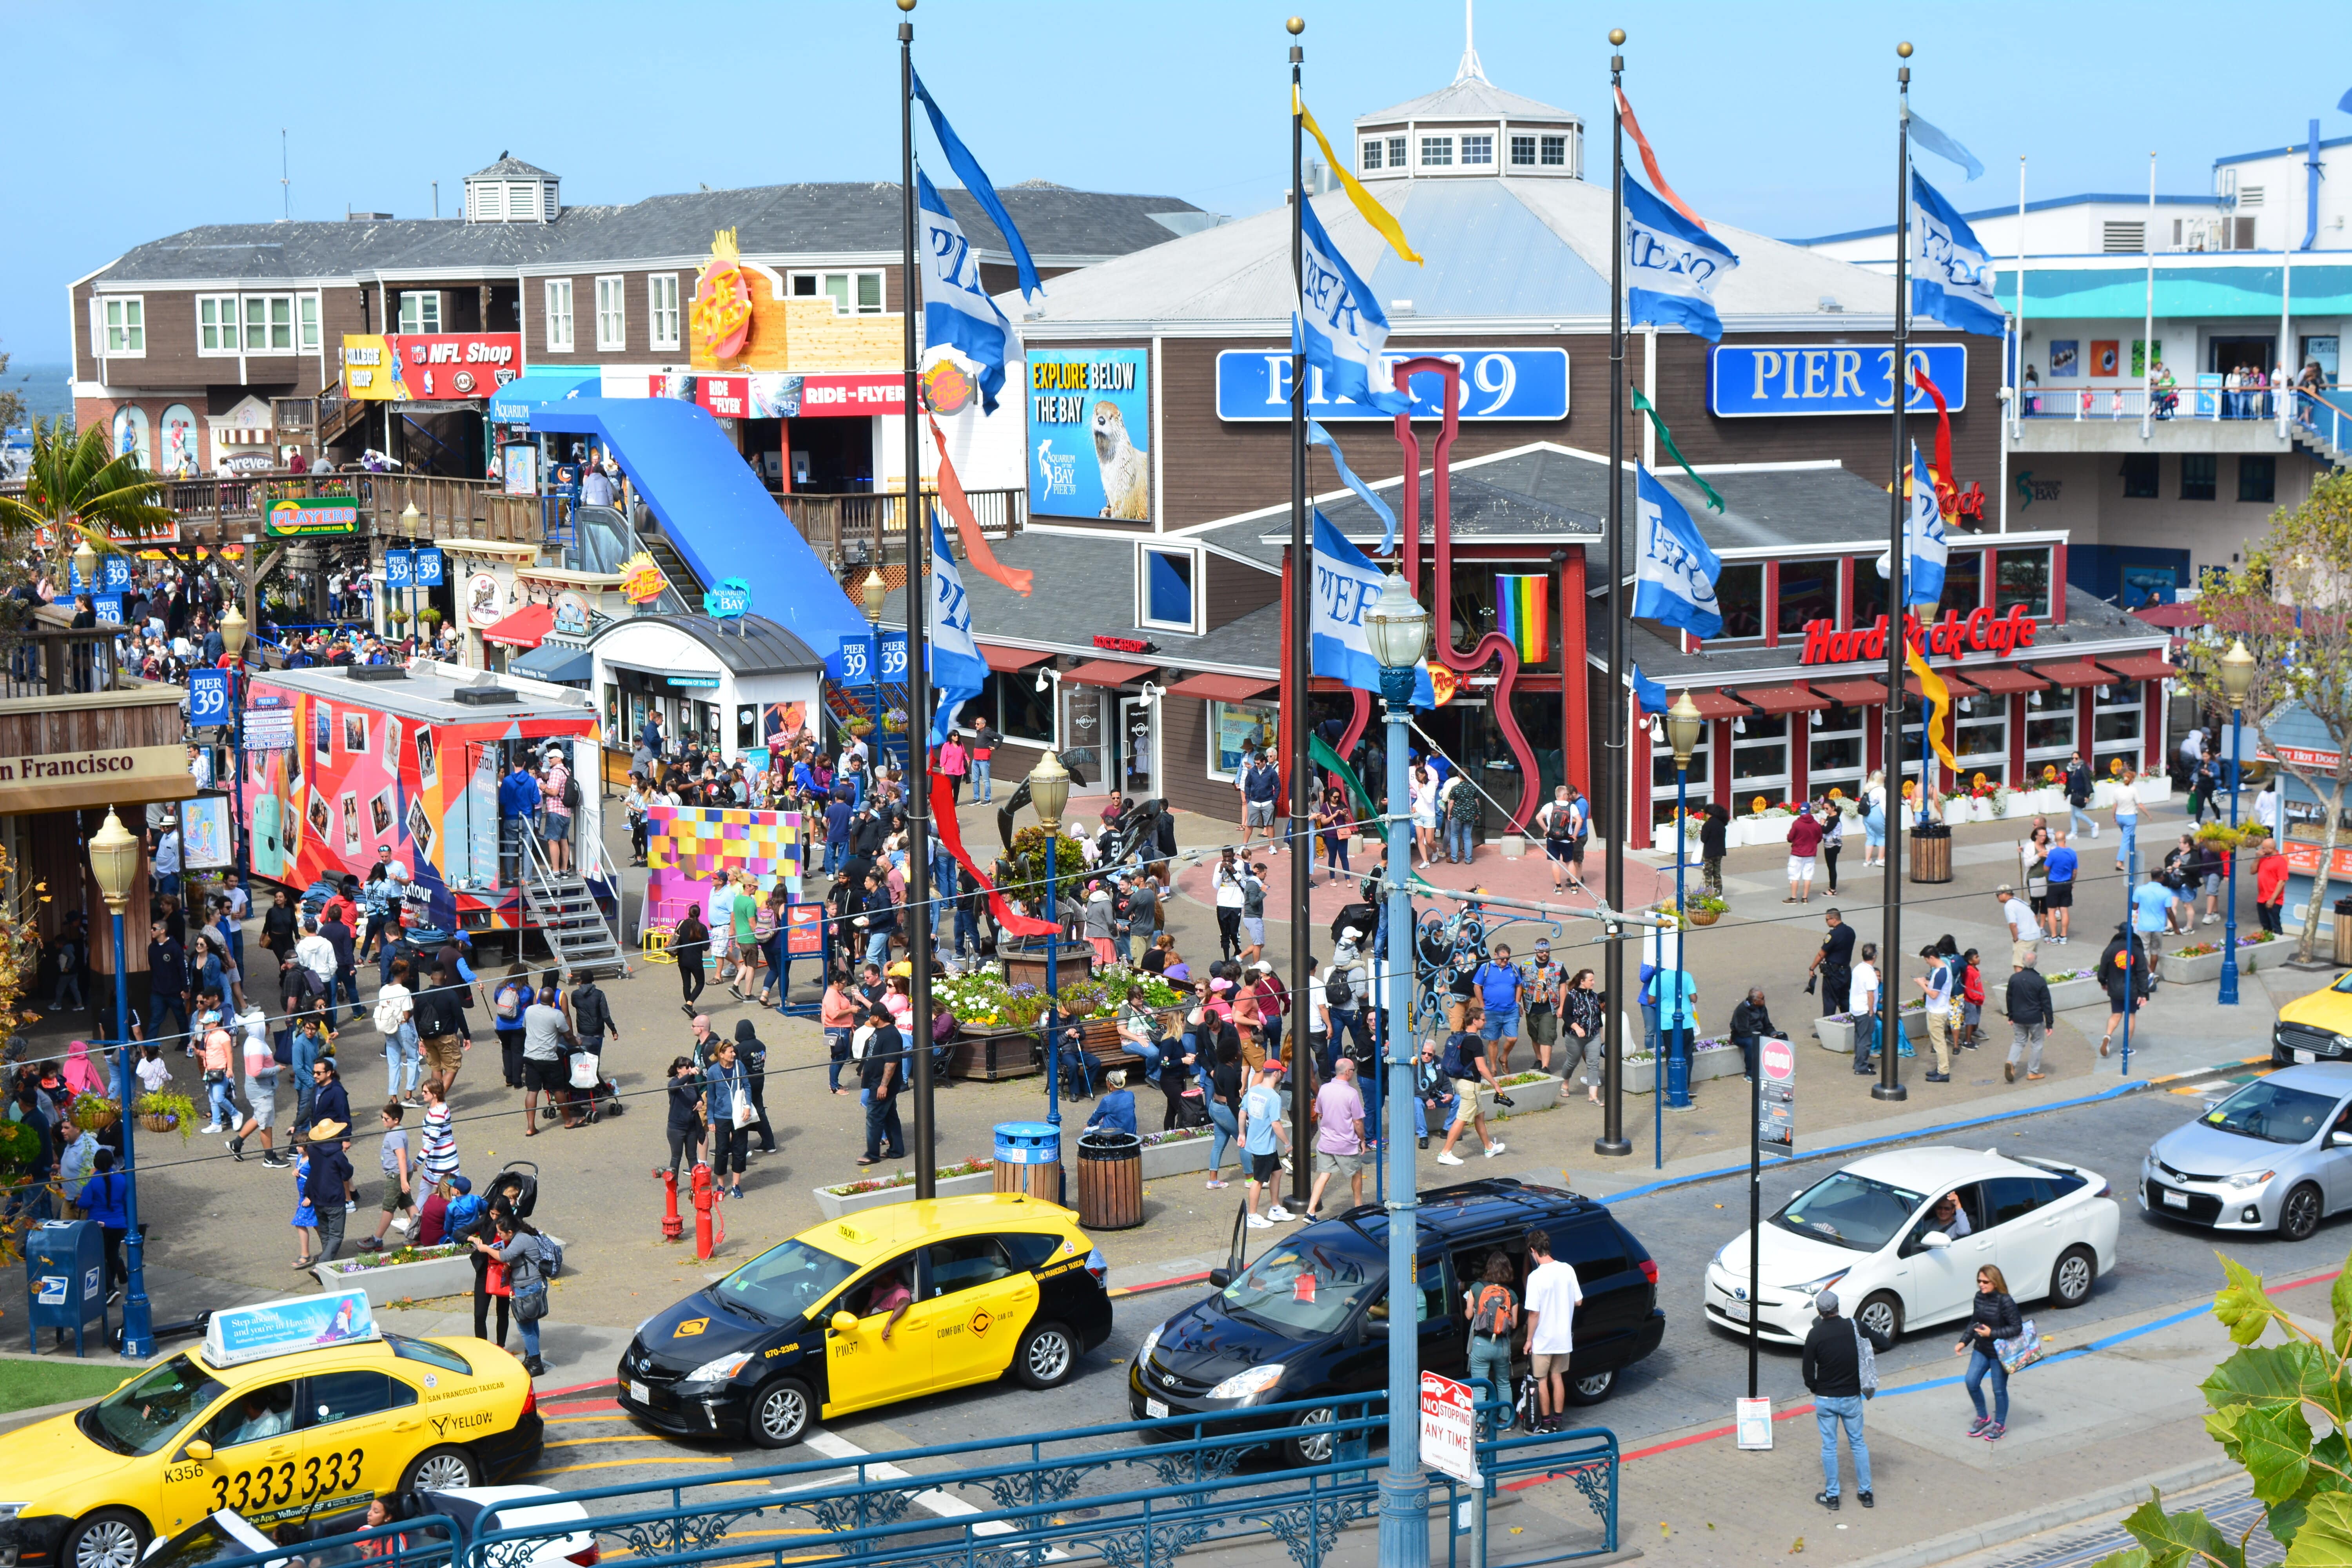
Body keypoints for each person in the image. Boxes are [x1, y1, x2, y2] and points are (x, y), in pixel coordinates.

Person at [1802, 1290, 1889, 1511]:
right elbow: (1884, 1343)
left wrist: (1816, 1388)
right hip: (1851, 1397)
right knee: (1858, 1443)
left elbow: (1807, 1372)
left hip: (1825, 1398)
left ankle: (1832, 1497)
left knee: (1829, 1447)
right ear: (1838, 1307)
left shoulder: (1815, 1334)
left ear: (1820, 1311)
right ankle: (1866, 1494)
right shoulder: (1856, 1327)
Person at [1522, 1229, 1582, 1436]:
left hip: (1543, 1339)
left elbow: (1534, 1314)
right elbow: (1579, 1300)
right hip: (1563, 1337)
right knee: (1558, 1377)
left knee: (1542, 1380)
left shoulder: (1535, 1278)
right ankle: (1559, 1421)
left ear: (1533, 1251)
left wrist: (1529, 1340)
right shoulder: (1568, 1270)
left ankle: (1546, 1424)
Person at [1956, 1265, 2024, 1442]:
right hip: (1982, 1348)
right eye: (1979, 1281)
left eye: (1985, 1282)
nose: (1981, 1285)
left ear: (1995, 1282)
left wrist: (1991, 1334)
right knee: (1971, 1382)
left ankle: (1999, 1424)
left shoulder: (2006, 1301)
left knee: (1999, 1390)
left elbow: (2017, 1328)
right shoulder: (1979, 1298)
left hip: (2000, 1353)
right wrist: (1964, 1341)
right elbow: (1975, 1321)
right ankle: (1983, 1417)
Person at [1305, 1055, 1369, 1219]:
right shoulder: (1351, 1094)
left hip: (1326, 1142)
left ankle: (1310, 1211)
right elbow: (1358, 1122)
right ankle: (1358, 1206)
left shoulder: (1325, 1089)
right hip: (1345, 1144)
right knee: (1357, 1172)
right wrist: (1362, 1140)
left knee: (1324, 1175)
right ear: (1348, 1072)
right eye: (1353, 1071)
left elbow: (1320, 1112)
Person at [1463, 1251, 1520, 1428]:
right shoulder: (1511, 1294)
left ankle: (1480, 1426)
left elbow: (1468, 1315)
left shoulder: (1477, 1288)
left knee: (1480, 1387)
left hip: (1481, 1344)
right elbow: (1514, 1324)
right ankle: (1507, 1421)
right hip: (1502, 1345)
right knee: (1503, 1383)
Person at [1436, 1025, 1506, 1165]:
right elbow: (1481, 1067)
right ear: (1475, 1021)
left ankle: (1489, 1147)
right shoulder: (1475, 1041)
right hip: (1470, 1084)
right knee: (1462, 1119)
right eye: (1483, 1019)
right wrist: (1496, 1085)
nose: (1486, 1022)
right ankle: (1445, 1153)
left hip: (1461, 1081)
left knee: (1479, 1115)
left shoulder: (1462, 1035)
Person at [1239, 1059, 1292, 1227]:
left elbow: (1243, 1113)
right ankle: (1252, 1216)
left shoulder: (1253, 1091)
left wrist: (1242, 1134)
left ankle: (1275, 1207)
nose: (1282, 1074)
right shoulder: (1274, 1098)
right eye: (1281, 1072)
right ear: (1276, 1074)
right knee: (1259, 1180)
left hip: (1258, 1143)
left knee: (1277, 1173)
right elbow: (1276, 1124)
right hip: (1264, 1147)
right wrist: (1287, 1143)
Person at [76, 1149, 130, 1299]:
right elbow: (126, 1202)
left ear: (96, 1163)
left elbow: (84, 1203)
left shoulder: (93, 1181)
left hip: (100, 1226)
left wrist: (78, 1200)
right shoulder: (122, 1179)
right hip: (119, 1224)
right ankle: (111, 1285)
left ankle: (110, 1289)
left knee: (98, 1257)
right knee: (113, 1254)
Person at [361, 1100, 414, 1252]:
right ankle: (419, 1232)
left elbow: (402, 1157)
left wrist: (403, 1180)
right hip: (400, 1173)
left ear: (396, 1120)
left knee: (388, 1207)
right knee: (407, 1202)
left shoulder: (395, 1136)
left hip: (396, 1175)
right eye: (382, 1117)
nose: (383, 1121)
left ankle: (377, 1239)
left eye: (386, 1119)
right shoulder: (396, 1131)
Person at [857, 1005, 906, 1167]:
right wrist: (865, 1069)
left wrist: (883, 1085)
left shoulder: (891, 1035)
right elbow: (872, 1053)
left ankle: (872, 1154)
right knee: (890, 1117)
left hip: (882, 1085)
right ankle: (896, 1150)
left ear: (877, 1017)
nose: (869, 1018)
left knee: (874, 1118)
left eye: (870, 1016)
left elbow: (891, 1063)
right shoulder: (880, 1030)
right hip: (876, 1082)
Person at [520, 987, 571, 1138]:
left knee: (532, 1091)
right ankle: (568, 1120)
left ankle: (530, 1127)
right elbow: (568, 1036)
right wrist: (577, 1041)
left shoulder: (529, 1010)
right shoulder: (557, 1014)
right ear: (553, 1002)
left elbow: (525, 1028)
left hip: (530, 1056)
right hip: (549, 1058)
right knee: (558, 1090)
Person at [2100, 923, 2151, 1057]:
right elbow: (2142, 972)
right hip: (2132, 990)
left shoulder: (2111, 949)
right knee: (2130, 1015)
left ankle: (2108, 1036)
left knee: (2116, 1014)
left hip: (2115, 989)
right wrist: (2144, 993)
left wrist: (2103, 982)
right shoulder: (2136, 950)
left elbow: (2102, 969)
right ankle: (2125, 1048)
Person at [1474, 943, 1525, 1078]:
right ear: (1495, 955)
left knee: (1513, 1038)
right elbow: (1477, 986)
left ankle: (1504, 1058)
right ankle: (1493, 1067)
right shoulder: (1486, 968)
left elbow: (1519, 986)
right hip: (1491, 1011)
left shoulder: (1513, 968)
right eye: (1502, 959)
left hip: (1510, 1011)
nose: (1505, 961)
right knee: (1493, 1041)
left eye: (1507, 959)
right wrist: (1482, 1005)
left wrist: (1517, 1003)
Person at [2003, 957, 2055, 1084]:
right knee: (2037, 1043)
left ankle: (2011, 1061)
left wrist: (2011, 1016)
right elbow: (2047, 1003)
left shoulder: (2014, 978)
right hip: (2035, 1018)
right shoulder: (2040, 981)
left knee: (2019, 1041)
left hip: (2018, 1017)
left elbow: (2009, 998)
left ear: (2023, 962)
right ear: (2035, 963)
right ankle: (2032, 1072)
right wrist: (2049, 1023)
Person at [1204, 1037, 1245, 1189]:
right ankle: (1250, 1178)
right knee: (1244, 1142)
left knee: (1219, 1144)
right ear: (1234, 1055)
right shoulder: (1230, 1073)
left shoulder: (1219, 1066)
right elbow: (1232, 1101)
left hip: (1215, 1107)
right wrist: (1241, 1119)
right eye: (1238, 1051)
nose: (1240, 1052)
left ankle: (1213, 1180)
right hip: (1226, 1110)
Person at [1915, 945, 1955, 1083]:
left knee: (1939, 1043)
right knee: (1938, 1041)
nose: (1927, 963)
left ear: (1932, 958)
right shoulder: (1943, 970)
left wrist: (1922, 985)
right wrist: (1926, 982)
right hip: (1938, 1010)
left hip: (1937, 1012)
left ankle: (1944, 1071)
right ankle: (1940, 1069)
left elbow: (1933, 995)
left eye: (1927, 960)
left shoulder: (1940, 973)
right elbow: (1937, 987)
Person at [1728, 987, 1784, 1082]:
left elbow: (1767, 1024)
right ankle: (1750, 1074)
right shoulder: (1742, 1010)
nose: (1764, 1000)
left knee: (1782, 1037)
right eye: (1762, 998)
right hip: (1742, 1036)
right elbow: (1742, 1031)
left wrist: (1773, 1033)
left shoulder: (1762, 1007)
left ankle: (1779, 1069)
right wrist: (1761, 1037)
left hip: (1760, 1033)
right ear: (1755, 1001)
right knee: (1752, 1044)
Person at [1809, 909, 1855, 1021]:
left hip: (1834, 974)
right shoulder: (1851, 931)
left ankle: (1828, 1027)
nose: (1826, 922)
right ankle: (1849, 1022)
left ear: (1834, 919)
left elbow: (1821, 954)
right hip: (1846, 972)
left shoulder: (1833, 935)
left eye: (1827, 919)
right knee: (1845, 999)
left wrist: (1812, 968)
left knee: (1830, 1001)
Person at [1849, 942, 1881, 1075]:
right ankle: (1861, 1066)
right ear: (1874, 956)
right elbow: (1871, 994)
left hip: (1856, 1008)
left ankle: (1859, 1061)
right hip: (1865, 1010)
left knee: (1859, 1036)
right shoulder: (1870, 973)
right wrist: (1871, 1011)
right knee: (1865, 1039)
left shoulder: (1857, 969)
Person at [671, 905, 709, 1014]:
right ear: (699, 915)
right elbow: (706, 947)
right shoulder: (702, 928)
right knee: (700, 983)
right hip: (696, 961)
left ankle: (690, 1007)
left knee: (687, 984)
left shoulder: (681, 923)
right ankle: (689, 1005)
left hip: (682, 959)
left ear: (688, 913)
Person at [1786, 802, 1825, 904]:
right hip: (1811, 853)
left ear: (1801, 811)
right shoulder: (1816, 825)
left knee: (1794, 876)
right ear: (1810, 811)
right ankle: (1805, 898)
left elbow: (1790, 838)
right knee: (1808, 875)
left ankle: (1794, 898)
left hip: (1797, 853)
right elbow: (1819, 838)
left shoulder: (1797, 824)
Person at [1996, 882, 2040, 973]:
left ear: (2005, 894)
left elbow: (2013, 924)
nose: (1997, 897)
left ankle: (2021, 983)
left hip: (2024, 938)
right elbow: (2035, 918)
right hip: (2035, 935)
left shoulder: (2009, 906)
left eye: (1998, 895)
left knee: (2019, 964)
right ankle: (2030, 980)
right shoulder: (2021, 902)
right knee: (2030, 963)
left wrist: (2016, 939)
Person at [2044, 831, 2078, 944]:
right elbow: (2075, 871)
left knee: (2051, 911)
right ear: (2065, 840)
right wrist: (2072, 882)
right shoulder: (2072, 853)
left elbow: (2046, 868)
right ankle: (2063, 935)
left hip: (2054, 883)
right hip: (2067, 883)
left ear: (2055, 841)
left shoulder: (2053, 853)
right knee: (2064, 910)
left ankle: (2054, 936)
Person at [1084, 1068, 1138, 1136]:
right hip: (1131, 1134)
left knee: (1086, 1131)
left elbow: (1095, 1118)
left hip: (1114, 1136)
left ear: (1109, 1084)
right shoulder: (1131, 1095)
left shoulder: (1107, 1100)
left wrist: (1089, 1124)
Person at [2257, 835, 2289, 936]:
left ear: (2271, 849)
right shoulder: (2263, 858)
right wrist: (2257, 859)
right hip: (2262, 898)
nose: (2262, 850)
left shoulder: (2280, 861)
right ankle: (2267, 942)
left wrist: (2272, 899)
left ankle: (2279, 944)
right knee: (2266, 925)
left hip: (2274, 900)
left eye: (2264, 848)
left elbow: (2282, 881)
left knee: (2275, 925)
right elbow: (2253, 871)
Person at [2063, 751, 2098, 841]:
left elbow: (2087, 782)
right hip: (2074, 794)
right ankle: (2074, 833)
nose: (2074, 760)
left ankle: (2093, 825)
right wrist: (2066, 794)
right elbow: (2069, 782)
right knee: (2073, 815)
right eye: (2073, 758)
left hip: (2081, 794)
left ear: (2080, 759)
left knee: (2078, 814)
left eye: (2076, 758)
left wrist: (2087, 795)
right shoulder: (2070, 769)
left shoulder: (2083, 768)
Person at [2112, 767, 2141, 873]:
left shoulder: (2118, 790)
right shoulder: (2133, 790)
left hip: (2120, 816)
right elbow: (2140, 804)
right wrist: (2148, 815)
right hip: (2130, 817)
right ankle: (2120, 862)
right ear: (2132, 780)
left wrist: (2113, 817)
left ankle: (2130, 856)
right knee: (2126, 839)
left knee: (2127, 838)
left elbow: (2115, 806)